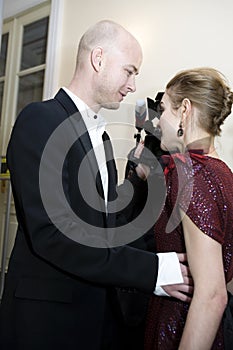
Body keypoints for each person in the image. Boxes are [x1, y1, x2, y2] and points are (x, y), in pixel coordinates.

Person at [0, 20, 191, 350]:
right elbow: (55, 235)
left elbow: (106, 221)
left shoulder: (100, 137)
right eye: (129, 71)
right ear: (98, 59)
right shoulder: (40, 120)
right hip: (48, 324)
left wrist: (140, 177)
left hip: (96, 316)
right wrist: (153, 271)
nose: (133, 85)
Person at [144, 67, 233, 349]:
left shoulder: (194, 175)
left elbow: (212, 295)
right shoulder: (222, 173)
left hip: (180, 329)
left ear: (184, 109)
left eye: (163, 110)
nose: (157, 122)